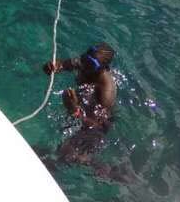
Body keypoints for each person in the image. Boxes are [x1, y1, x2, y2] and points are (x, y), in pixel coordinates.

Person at [38, 43, 120, 172]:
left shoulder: (106, 91)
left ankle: (103, 168)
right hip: (84, 108)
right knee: (57, 149)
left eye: (91, 65)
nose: (85, 67)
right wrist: (52, 67)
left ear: (104, 68)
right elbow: (63, 65)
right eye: (85, 60)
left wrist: (74, 110)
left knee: (67, 154)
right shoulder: (83, 63)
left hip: (99, 124)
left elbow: (97, 125)